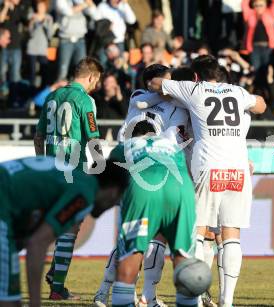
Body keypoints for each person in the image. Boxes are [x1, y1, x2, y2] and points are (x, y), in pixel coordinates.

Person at [148, 55, 266, 307]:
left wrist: (169, 90)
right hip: (239, 167)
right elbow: (262, 105)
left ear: (196, 76)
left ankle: (196, 297)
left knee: (198, 232)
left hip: (209, 165)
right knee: (231, 234)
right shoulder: (237, 91)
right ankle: (227, 301)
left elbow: (156, 83)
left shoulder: (195, 89)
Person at [94, 64, 190, 307]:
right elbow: (152, 100)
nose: (171, 86)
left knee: (145, 237)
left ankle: (143, 295)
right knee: (137, 238)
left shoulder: (166, 101)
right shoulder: (141, 96)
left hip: (149, 165)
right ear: (151, 83)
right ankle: (110, 291)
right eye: (165, 81)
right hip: (142, 166)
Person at [0, 155, 129, 307]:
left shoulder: (76, 180)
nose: (115, 204)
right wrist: (35, 303)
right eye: (119, 198)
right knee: (9, 302)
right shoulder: (84, 193)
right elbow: (36, 244)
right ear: (114, 191)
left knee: (12, 299)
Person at [108, 120, 210, 307]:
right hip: (181, 191)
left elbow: (106, 184)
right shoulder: (172, 146)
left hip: (143, 190)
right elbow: (187, 173)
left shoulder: (125, 146)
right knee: (183, 258)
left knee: (131, 254)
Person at [34, 56, 104, 300]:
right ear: (91, 77)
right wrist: (100, 165)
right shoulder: (85, 100)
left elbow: (39, 137)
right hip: (73, 171)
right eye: (97, 81)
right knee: (71, 227)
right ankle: (56, 288)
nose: (96, 86)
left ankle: (55, 275)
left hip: (51, 169)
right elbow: (93, 136)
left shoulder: (52, 96)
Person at [55, 0, 100, 81]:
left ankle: (77, 92)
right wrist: (86, 3)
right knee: (62, 72)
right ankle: (61, 93)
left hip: (80, 40)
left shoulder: (81, 1)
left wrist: (91, 4)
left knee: (81, 71)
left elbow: (96, 15)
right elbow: (68, 12)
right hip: (66, 40)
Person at [241, 0, 274, 75]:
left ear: (266, 5)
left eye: (261, 5)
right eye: (256, 5)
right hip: (254, 48)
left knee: (268, 70)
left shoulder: (270, 13)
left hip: (268, 47)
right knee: (255, 70)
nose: (258, 7)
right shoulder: (249, 15)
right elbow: (244, 3)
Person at [26, 0, 55, 88]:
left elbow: (50, 35)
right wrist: (32, 22)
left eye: (42, 6)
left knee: (44, 72)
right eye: (39, 6)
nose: (40, 8)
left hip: (43, 49)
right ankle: (31, 92)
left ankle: (43, 92)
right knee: (32, 72)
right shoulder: (32, 16)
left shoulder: (49, 18)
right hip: (32, 49)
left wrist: (45, 23)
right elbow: (30, 34)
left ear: (45, 7)